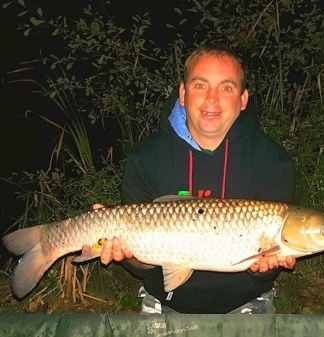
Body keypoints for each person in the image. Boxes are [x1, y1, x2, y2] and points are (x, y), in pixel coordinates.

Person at [96, 43, 296, 314]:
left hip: (247, 302)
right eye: (201, 85)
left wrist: (264, 270)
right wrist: (132, 257)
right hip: (163, 302)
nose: (212, 99)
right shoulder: (144, 158)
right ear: (182, 93)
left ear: (243, 99)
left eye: (226, 87)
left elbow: (264, 271)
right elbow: (142, 267)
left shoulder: (272, 161)